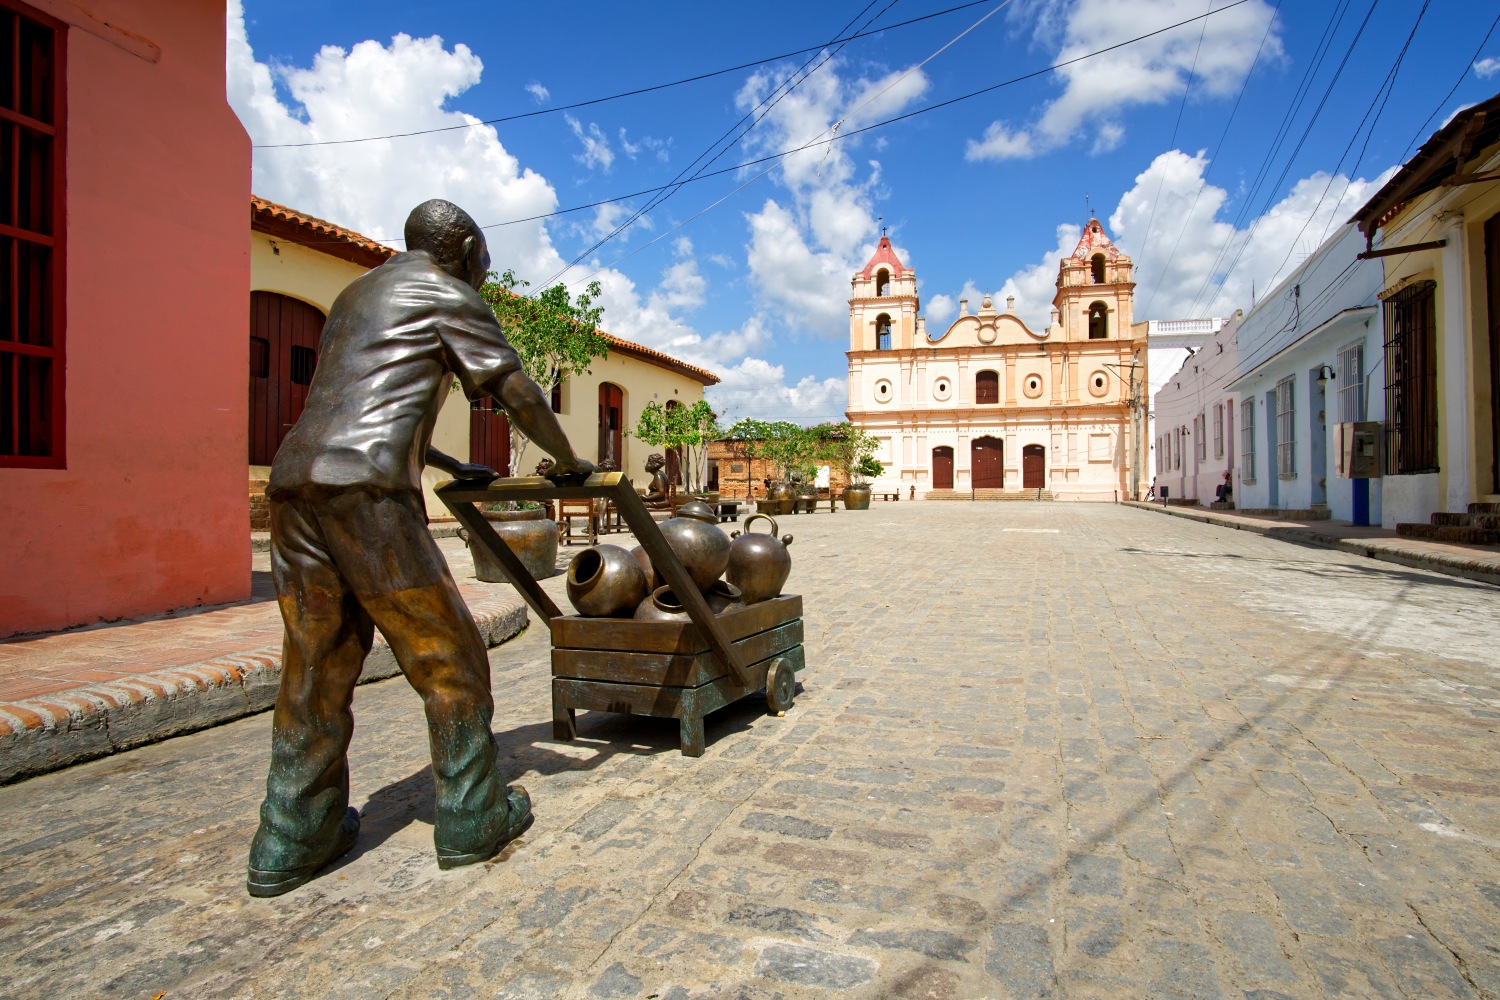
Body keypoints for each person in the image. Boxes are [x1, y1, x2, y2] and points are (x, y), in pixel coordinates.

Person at [247, 199, 593, 897]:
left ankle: (291, 836)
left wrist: (442, 464)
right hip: (367, 497)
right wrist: (570, 462)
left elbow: (356, 404)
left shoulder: (354, 295)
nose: (484, 282)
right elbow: (515, 391)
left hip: (295, 483)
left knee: (316, 661)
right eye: (485, 266)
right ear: (462, 247)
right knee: (449, 654)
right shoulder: (446, 292)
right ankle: (472, 816)